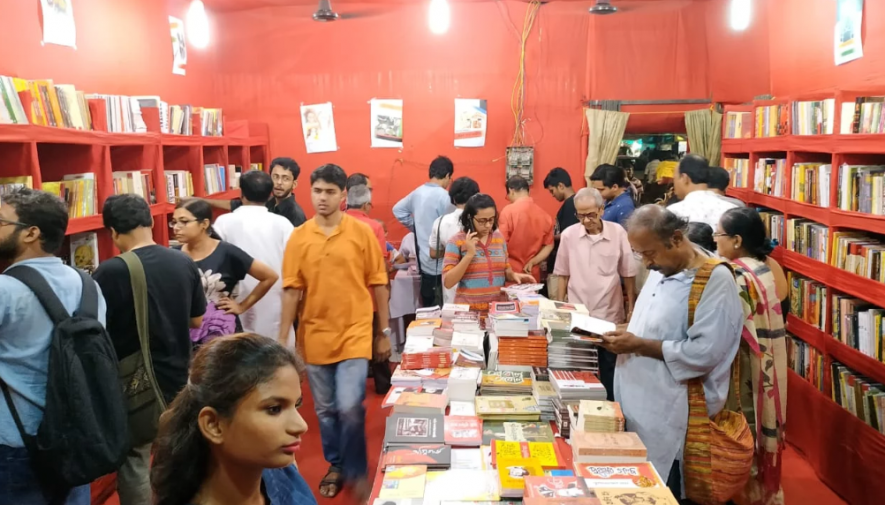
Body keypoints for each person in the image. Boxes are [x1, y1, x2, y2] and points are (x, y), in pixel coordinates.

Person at [601, 205, 742, 500]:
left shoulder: (714, 280)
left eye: (649, 253)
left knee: (667, 486)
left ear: (676, 238)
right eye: (639, 254)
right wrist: (621, 331)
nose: (646, 262)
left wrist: (638, 344)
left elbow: (703, 353)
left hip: (672, 412)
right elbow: (655, 323)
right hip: (639, 403)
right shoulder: (664, 266)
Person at [278, 164, 391, 501]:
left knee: (349, 406)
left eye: (330, 191)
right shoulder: (299, 237)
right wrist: (283, 338)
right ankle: (337, 463)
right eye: (317, 191)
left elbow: (379, 282)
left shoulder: (361, 234)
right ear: (309, 192)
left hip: (355, 333)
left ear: (344, 195)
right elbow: (291, 290)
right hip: (314, 336)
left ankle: (357, 471)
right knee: (325, 410)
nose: (322, 198)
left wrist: (383, 331)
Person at [93, 194, 207, 505]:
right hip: (178, 377)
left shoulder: (109, 271)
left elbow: (97, 333)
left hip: (134, 385)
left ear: (113, 232)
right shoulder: (182, 260)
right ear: (150, 221)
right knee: (175, 454)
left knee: (134, 458)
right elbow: (196, 320)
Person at [0, 189, 106, 505]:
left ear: (31, 233)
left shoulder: (6, 290)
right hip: (77, 434)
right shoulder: (89, 284)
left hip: (16, 442)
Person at [150, 333, 316, 505]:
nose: (301, 426)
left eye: (296, 405)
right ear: (213, 425)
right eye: (274, 409)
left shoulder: (282, 472)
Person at [714, 208, 788, 505]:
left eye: (718, 235)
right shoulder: (766, 266)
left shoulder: (736, 275)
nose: (715, 241)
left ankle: (745, 492)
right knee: (758, 429)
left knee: (741, 430)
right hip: (767, 365)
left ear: (736, 240)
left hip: (745, 366)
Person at [554, 188, 637, 401]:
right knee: (579, 365)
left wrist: (631, 308)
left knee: (609, 364)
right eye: (580, 215)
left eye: (590, 214)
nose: (586, 220)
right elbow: (562, 274)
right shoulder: (569, 235)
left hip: (608, 310)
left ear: (601, 210)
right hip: (578, 310)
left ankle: (611, 406)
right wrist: (559, 306)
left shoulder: (618, 232)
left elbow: (628, 273)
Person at [173, 199, 278, 344]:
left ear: (204, 224)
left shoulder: (226, 252)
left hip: (221, 332)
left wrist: (241, 306)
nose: (176, 227)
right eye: (174, 222)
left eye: (183, 222)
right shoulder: (173, 255)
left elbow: (269, 277)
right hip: (184, 332)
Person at [213, 170, 295, 346]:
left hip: (235, 303)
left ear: (241, 193)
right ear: (269, 194)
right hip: (277, 305)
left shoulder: (223, 222)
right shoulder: (283, 224)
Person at [443, 194, 536, 314]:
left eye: (491, 220)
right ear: (470, 218)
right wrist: (469, 254)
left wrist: (514, 276)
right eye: (482, 221)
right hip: (468, 314)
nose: (487, 225)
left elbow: (504, 269)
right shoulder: (456, 241)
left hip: (497, 311)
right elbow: (448, 282)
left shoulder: (498, 238)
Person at [393, 156, 454, 307]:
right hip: (441, 264)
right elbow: (452, 228)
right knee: (444, 310)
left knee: (428, 310)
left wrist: (416, 228)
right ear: (447, 175)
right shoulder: (445, 197)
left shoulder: (417, 193)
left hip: (424, 264)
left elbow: (398, 210)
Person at [194, 157, 307, 228]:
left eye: (285, 179)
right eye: (275, 177)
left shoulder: (295, 215)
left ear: (294, 184)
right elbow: (237, 205)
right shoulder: (269, 201)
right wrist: (201, 200)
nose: (279, 183)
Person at [429, 177, 481, 304]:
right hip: (478, 279)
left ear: (453, 198)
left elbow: (433, 253)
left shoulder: (440, 221)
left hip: (450, 278)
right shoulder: (482, 221)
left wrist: (451, 252)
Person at [499, 176, 555, 282]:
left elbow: (501, 244)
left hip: (511, 273)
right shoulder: (545, 215)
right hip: (532, 274)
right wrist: (533, 261)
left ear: (511, 190)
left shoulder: (507, 211)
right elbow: (549, 245)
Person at [668, 154, 738, 229]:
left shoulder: (674, 212)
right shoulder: (732, 210)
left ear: (685, 178)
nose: (673, 185)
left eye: (674, 179)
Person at [543, 167, 579, 301]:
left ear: (561, 186)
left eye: (552, 191)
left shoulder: (571, 205)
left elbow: (568, 234)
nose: (552, 195)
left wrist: (548, 237)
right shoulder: (569, 204)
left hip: (565, 267)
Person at [344, 185, 387, 258]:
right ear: (366, 205)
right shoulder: (375, 227)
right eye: (370, 205)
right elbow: (381, 260)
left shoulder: (334, 222)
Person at [589, 164, 636, 228]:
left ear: (614, 187)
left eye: (601, 189)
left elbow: (626, 235)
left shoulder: (625, 207)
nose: (597, 192)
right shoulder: (609, 199)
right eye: (595, 189)